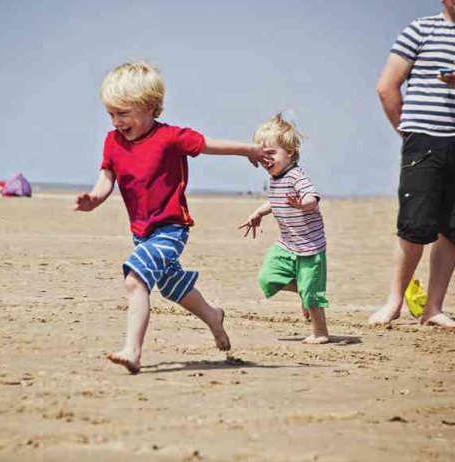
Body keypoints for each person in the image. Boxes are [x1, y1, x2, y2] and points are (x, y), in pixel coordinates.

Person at [73, 61, 273, 374]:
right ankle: (212, 315)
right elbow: (106, 179)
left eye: (123, 113)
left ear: (150, 107)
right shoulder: (112, 142)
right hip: (141, 232)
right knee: (172, 286)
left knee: (135, 279)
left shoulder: (170, 137)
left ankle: (132, 350)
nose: (116, 122)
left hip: (170, 228)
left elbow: (208, 145)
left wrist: (248, 149)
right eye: (111, 114)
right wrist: (94, 199)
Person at [369, 0, 455, 328]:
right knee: (414, 227)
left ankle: (433, 308)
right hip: (423, 141)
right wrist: (408, 133)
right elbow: (386, 86)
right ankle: (394, 302)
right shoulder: (419, 30)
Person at [239, 114, 330, 344]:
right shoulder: (276, 179)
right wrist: (259, 212)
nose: (265, 160)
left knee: (313, 294)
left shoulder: (296, 175)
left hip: (310, 247)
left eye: (271, 153)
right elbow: (275, 200)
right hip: (288, 244)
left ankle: (320, 332)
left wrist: (302, 203)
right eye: (261, 155)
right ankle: (303, 290)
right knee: (267, 278)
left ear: (290, 151)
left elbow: (312, 197)